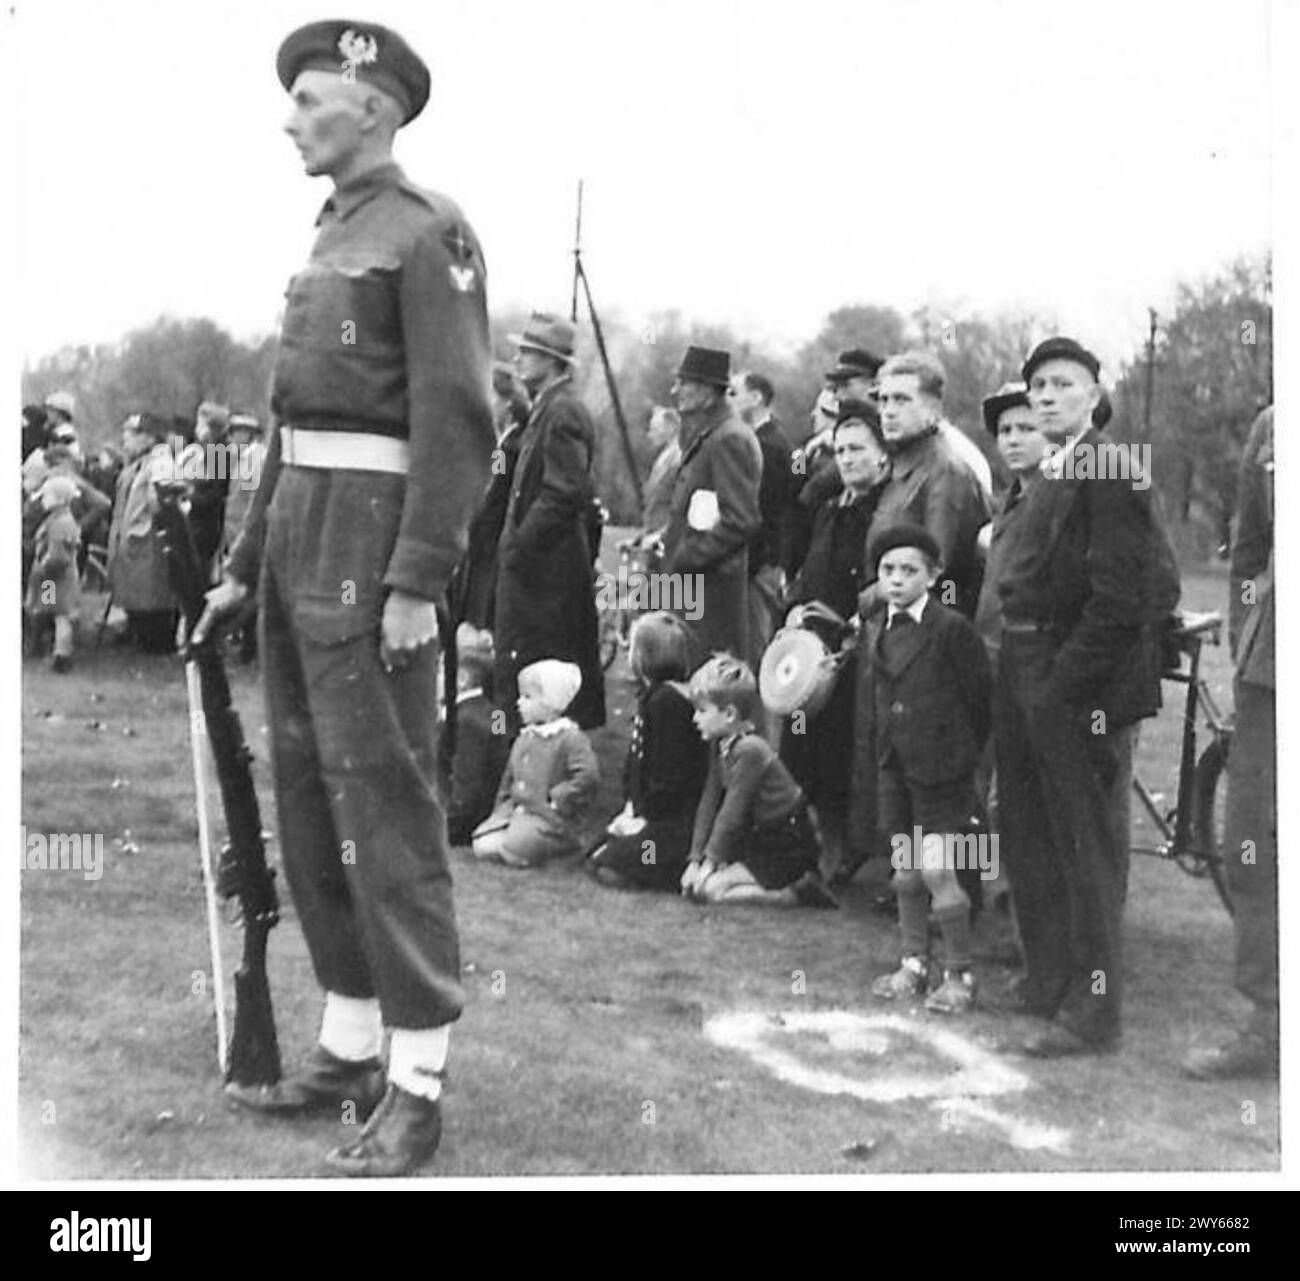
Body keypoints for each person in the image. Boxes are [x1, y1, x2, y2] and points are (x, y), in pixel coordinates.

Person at [195, 19, 496, 1177]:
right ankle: (351, 1042)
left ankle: (418, 1083)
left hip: (373, 553)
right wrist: (235, 567)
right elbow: (290, 420)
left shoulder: (429, 234)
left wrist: (420, 578)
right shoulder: (332, 234)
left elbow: (457, 420)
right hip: (294, 543)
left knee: (387, 809)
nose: (290, 117)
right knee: (316, 807)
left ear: (371, 108)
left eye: (310, 98)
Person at [993, 337, 1177, 1058]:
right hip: (1023, 657)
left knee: (1086, 846)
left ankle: (1094, 1011)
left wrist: (1064, 686)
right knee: (1030, 833)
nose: (1045, 396)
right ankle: (1049, 978)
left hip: (1073, 680)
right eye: (1037, 384)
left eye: (1063, 384)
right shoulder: (1051, 469)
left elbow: (1123, 600)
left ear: (1095, 394)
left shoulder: (1111, 470)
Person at [1183, 406, 1276, 1079]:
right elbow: (1249, 551)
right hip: (1273, 671)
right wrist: (1249, 633)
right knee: (1254, 847)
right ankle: (1270, 1021)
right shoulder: (1274, 423)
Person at [863, 524, 991, 1013]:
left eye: (909, 570)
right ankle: (914, 963)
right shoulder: (878, 624)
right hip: (894, 765)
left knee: (939, 869)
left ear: (934, 575)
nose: (896, 580)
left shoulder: (953, 629)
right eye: (887, 570)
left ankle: (960, 973)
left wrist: (961, 757)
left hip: (942, 769)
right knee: (905, 871)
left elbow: (980, 701)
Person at [780, 399, 889, 883]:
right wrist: (795, 610)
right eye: (841, 449)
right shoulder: (828, 510)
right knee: (801, 745)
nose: (846, 458)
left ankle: (845, 852)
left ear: (882, 456)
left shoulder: (881, 515)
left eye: (858, 449)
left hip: (852, 650)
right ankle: (807, 841)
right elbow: (807, 573)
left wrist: (849, 625)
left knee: (841, 755)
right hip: (809, 648)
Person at [494, 312, 605, 732]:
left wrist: (520, 546)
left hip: (547, 581)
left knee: (541, 685)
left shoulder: (564, 412)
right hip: (540, 577)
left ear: (554, 362)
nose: (519, 359)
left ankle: (538, 779)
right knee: (526, 684)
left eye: (529, 352)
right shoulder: (550, 409)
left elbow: (564, 491)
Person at [680, 653, 836, 907]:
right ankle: (790, 884)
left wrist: (709, 864)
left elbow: (731, 813)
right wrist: (695, 860)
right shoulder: (720, 744)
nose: (694, 718)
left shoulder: (749, 750)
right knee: (705, 886)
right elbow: (709, 801)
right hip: (760, 837)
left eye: (701, 710)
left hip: (788, 841)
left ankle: (797, 892)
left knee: (711, 891)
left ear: (729, 714)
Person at [860, 351, 992, 618]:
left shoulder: (945, 470)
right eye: (884, 400)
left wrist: (866, 601)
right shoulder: (901, 464)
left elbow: (936, 568)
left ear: (932, 409)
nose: (888, 411)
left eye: (901, 400)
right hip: (893, 622)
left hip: (927, 632)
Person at [588, 611, 707, 891]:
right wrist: (630, 809)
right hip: (648, 814)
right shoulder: (653, 697)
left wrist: (643, 816)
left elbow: (670, 779)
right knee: (594, 854)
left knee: (609, 866)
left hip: (670, 825)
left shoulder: (668, 703)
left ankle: (668, 871)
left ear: (644, 656)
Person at [661, 346, 762, 664]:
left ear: (706, 391)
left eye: (683, 382)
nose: (675, 390)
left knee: (705, 688)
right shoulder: (710, 435)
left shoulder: (728, 439)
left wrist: (687, 555)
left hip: (709, 596)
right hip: (693, 590)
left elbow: (741, 520)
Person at [471, 659, 599, 867]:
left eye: (528, 697)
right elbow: (509, 779)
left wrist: (557, 798)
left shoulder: (570, 738)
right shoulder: (525, 737)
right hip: (519, 811)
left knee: (516, 845)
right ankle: (516, 842)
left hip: (551, 818)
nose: (519, 703)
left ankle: (562, 848)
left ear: (551, 702)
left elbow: (588, 776)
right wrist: (501, 808)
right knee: (482, 843)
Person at [447, 362, 530, 633]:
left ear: (507, 403)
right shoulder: (505, 443)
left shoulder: (508, 448)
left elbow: (493, 494)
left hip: (492, 543)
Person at [731, 370, 798, 665]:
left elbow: (765, 511)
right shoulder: (767, 439)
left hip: (760, 565)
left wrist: (750, 565)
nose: (729, 401)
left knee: (755, 651)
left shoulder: (767, 446)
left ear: (756, 398)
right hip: (762, 562)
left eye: (734, 393)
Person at [107, 413, 179, 653]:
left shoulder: (160, 460)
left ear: (148, 438)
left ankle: (156, 642)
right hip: (132, 538)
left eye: (130, 433)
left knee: (152, 593)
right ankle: (140, 634)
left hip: (148, 538)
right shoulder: (136, 464)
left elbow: (163, 497)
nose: (125, 439)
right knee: (135, 590)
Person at [442, 623, 510, 846]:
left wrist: (444, 828)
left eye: (442, 669)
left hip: (465, 820)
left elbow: (467, 787)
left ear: (461, 679)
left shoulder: (468, 721)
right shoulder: (489, 711)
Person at [25, 475, 85, 673]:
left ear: (58, 499)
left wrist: (43, 568)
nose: (42, 500)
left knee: (62, 616)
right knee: (46, 610)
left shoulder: (62, 523)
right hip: (49, 578)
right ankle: (42, 647)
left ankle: (62, 656)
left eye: (46, 496)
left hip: (57, 577)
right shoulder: (56, 519)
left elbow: (58, 556)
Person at [638, 405, 682, 546]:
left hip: (662, 540)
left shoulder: (677, 458)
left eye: (654, 429)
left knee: (630, 567)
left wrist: (660, 534)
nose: (650, 435)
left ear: (670, 428)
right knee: (625, 566)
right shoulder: (665, 456)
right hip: (652, 534)